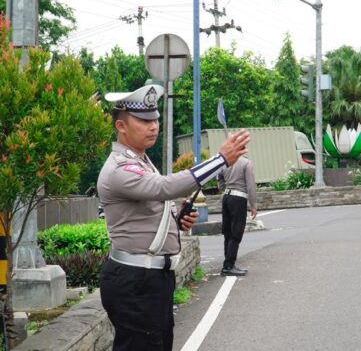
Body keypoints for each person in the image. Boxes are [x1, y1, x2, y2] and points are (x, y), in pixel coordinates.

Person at [97, 84, 250, 351]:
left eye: (155, 119)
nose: (153, 126)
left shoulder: (142, 160)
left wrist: (175, 221)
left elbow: (145, 212)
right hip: (134, 281)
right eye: (144, 120)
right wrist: (221, 159)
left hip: (151, 279)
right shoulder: (120, 168)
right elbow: (163, 187)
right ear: (121, 126)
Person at [217, 155, 257, 276]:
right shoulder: (246, 163)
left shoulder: (225, 162)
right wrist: (253, 205)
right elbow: (250, 185)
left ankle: (228, 263)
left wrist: (224, 188)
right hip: (239, 198)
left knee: (228, 232)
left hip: (227, 197)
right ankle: (229, 266)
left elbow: (219, 179)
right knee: (236, 232)